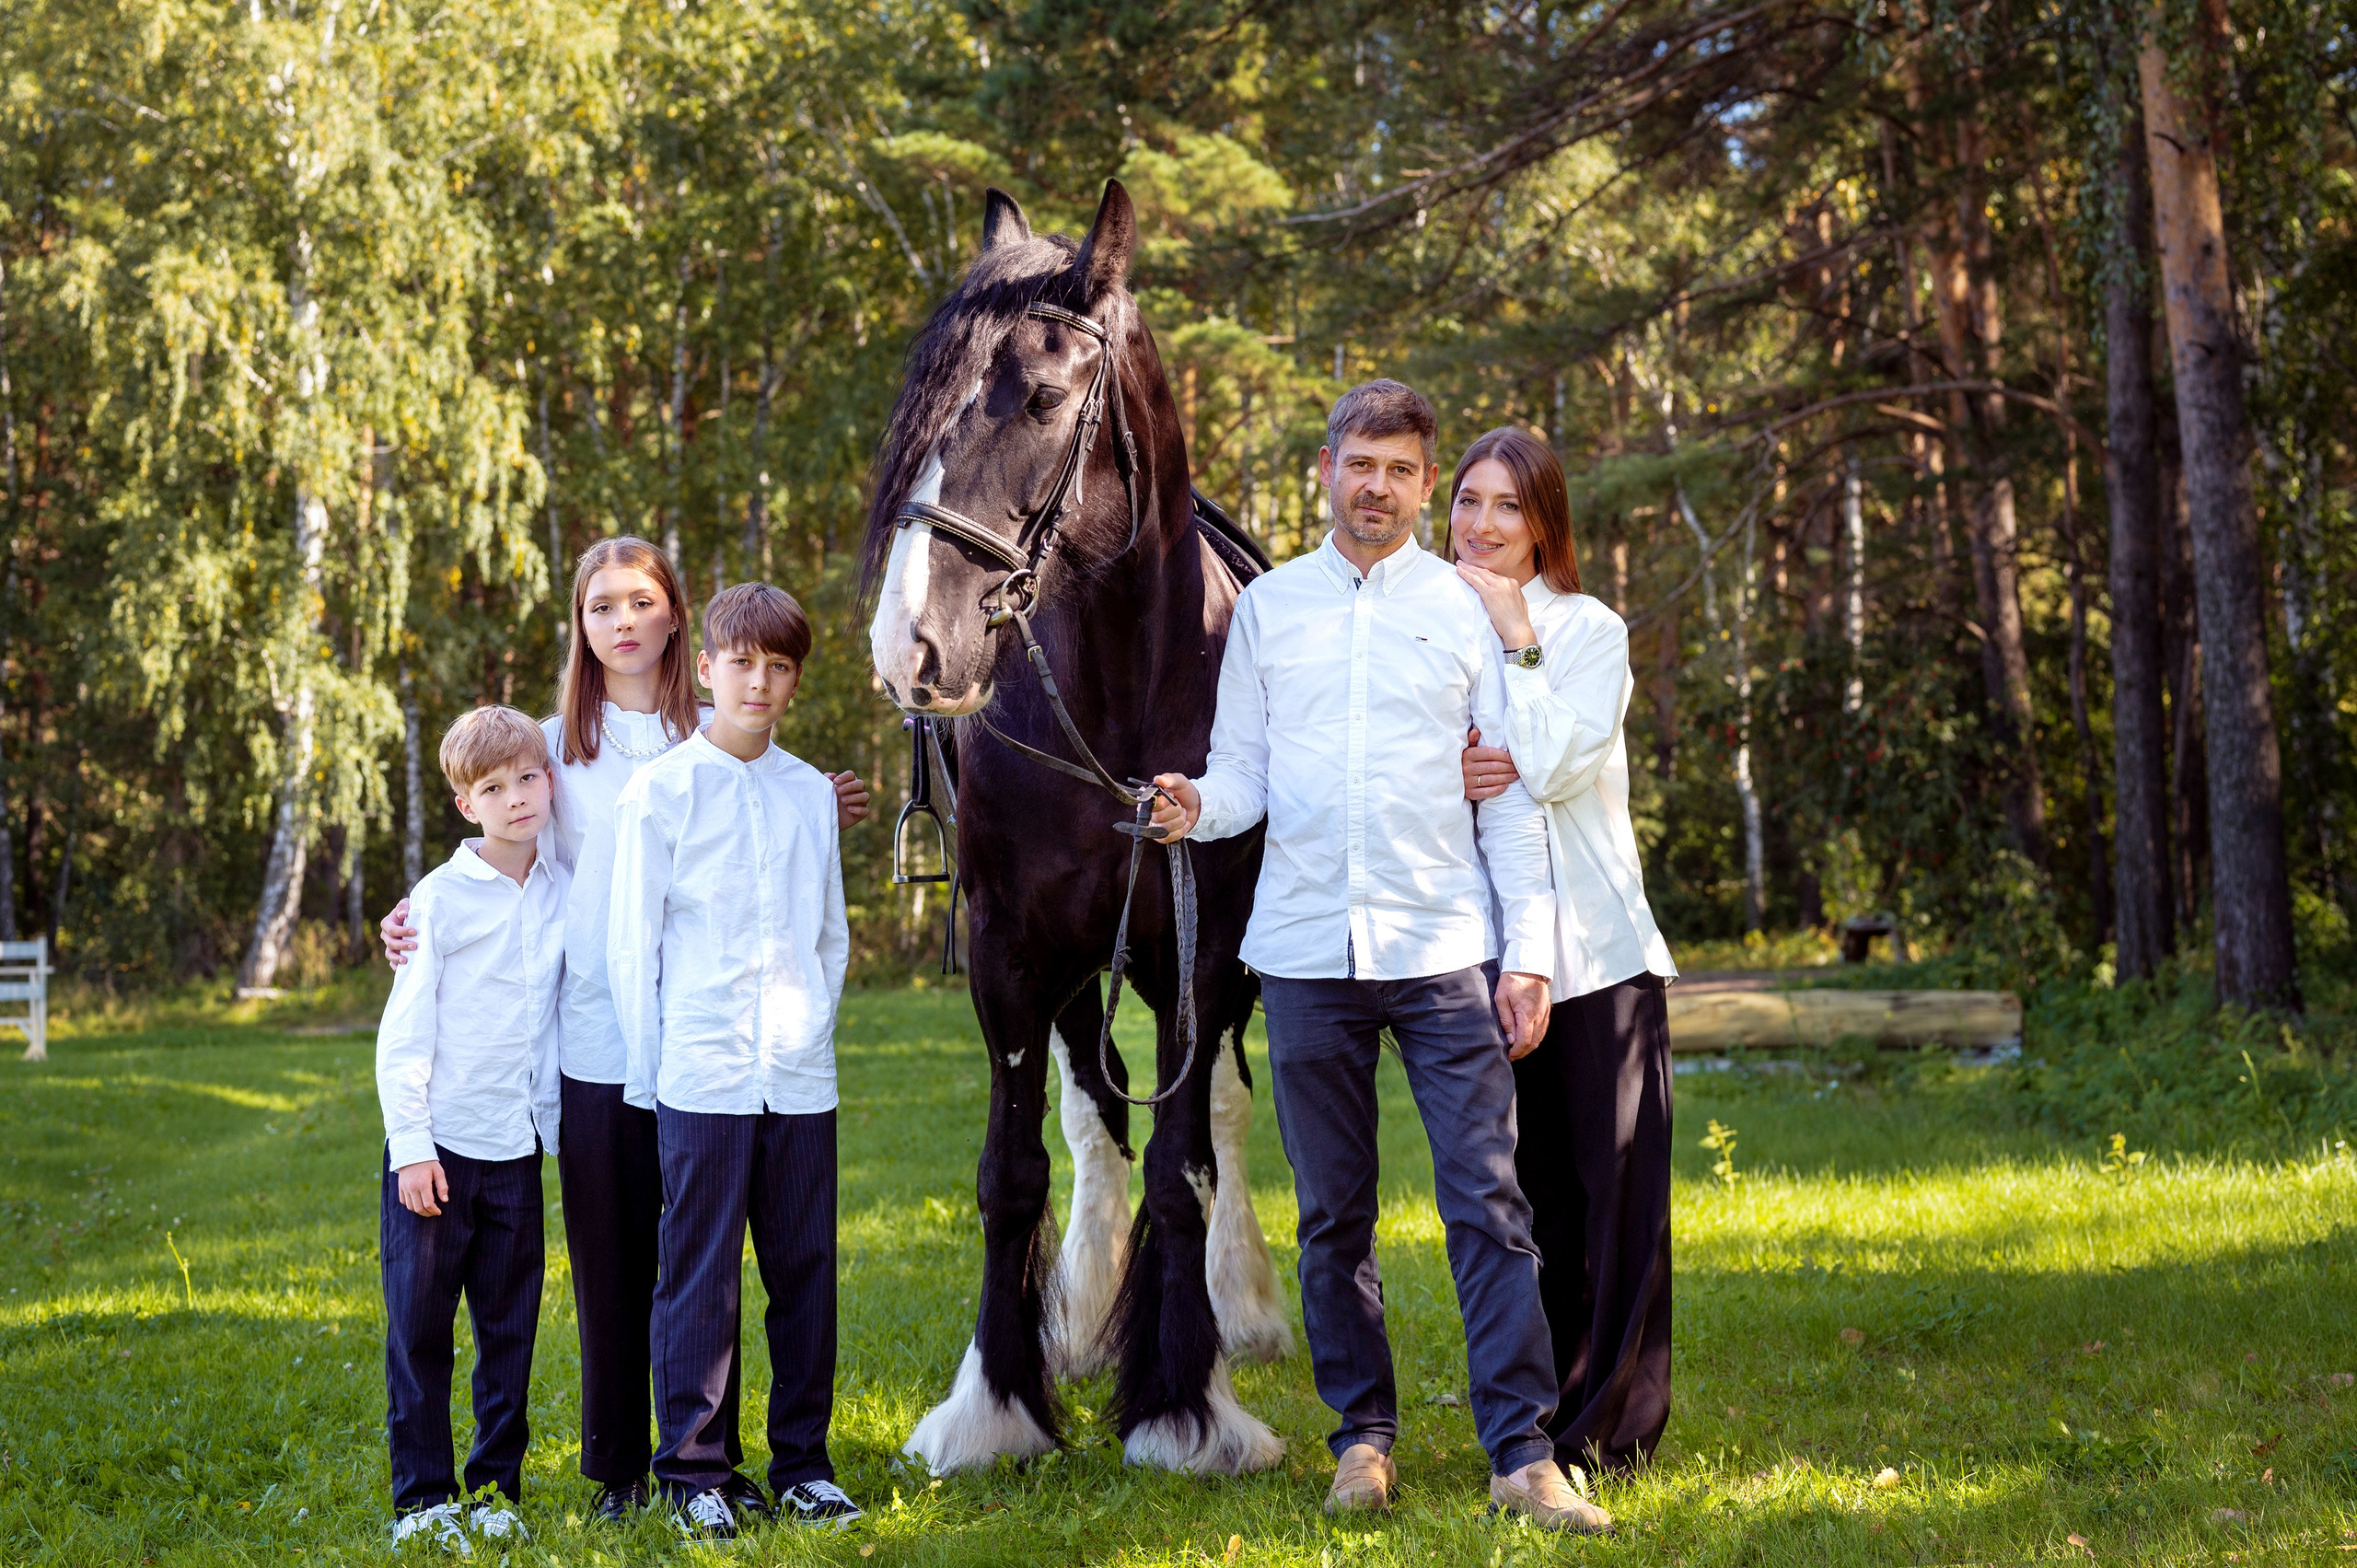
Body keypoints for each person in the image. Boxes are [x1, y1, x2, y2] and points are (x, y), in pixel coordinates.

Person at [1148, 380, 1612, 1534]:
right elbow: (1243, 774)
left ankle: (1523, 1452)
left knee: (1489, 1204)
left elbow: (1505, 800)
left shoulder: (1469, 612)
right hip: (1305, 953)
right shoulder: (1268, 610)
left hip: (1444, 944)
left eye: (1405, 470)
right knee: (1330, 1215)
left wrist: (1528, 955)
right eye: (1363, 462)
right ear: (1326, 466)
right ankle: (1361, 1437)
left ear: (1423, 482)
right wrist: (1190, 802)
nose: (1381, 487)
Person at [379, 538, 869, 1521]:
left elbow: (769, 869)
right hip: (597, 1043)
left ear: (679, 617)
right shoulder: (555, 744)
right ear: (582, 626)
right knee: (619, 1265)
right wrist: (412, 913)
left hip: (716, 1040)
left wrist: (819, 810)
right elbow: (492, 828)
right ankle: (620, 1468)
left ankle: (718, 1458)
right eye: (601, 606)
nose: (624, 621)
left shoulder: (729, 725)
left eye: (641, 600)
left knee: (719, 1255)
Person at [607, 582, 859, 1539]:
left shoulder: (805, 792)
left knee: (804, 1270)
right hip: (700, 1072)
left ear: (795, 677)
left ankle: (802, 1462)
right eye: (742, 661)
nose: (760, 680)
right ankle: (694, 1469)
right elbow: (634, 946)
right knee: (700, 1273)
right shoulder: (660, 791)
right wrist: (653, 1074)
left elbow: (827, 937)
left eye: (780, 664)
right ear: (705, 667)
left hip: (797, 1075)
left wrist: (808, 1037)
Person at [1452, 427, 1679, 1476]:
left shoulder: (1587, 629)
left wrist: (1515, 635)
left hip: (1598, 955)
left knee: (1615, 1192)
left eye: (1509, 505)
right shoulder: (1430, 631)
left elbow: (1543, 764)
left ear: (1544, 522)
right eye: (1468, 501)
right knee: (1526, 1193)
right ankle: (1539, 1413)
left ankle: (1617, 1425)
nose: (1484, 524)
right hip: (1486, 957)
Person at [374, 705, 567, 1551]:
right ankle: (422, 1499)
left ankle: (495, 1487)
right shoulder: (438, 901)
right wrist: (411, 1148)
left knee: (507, 1329)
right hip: (438, 1153)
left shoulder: (566, 888)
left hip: (517, 1151)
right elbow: (404, 1032)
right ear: (467, 804)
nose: (519, 797)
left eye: (530, 777)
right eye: (495, 787)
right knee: (419, 1331)